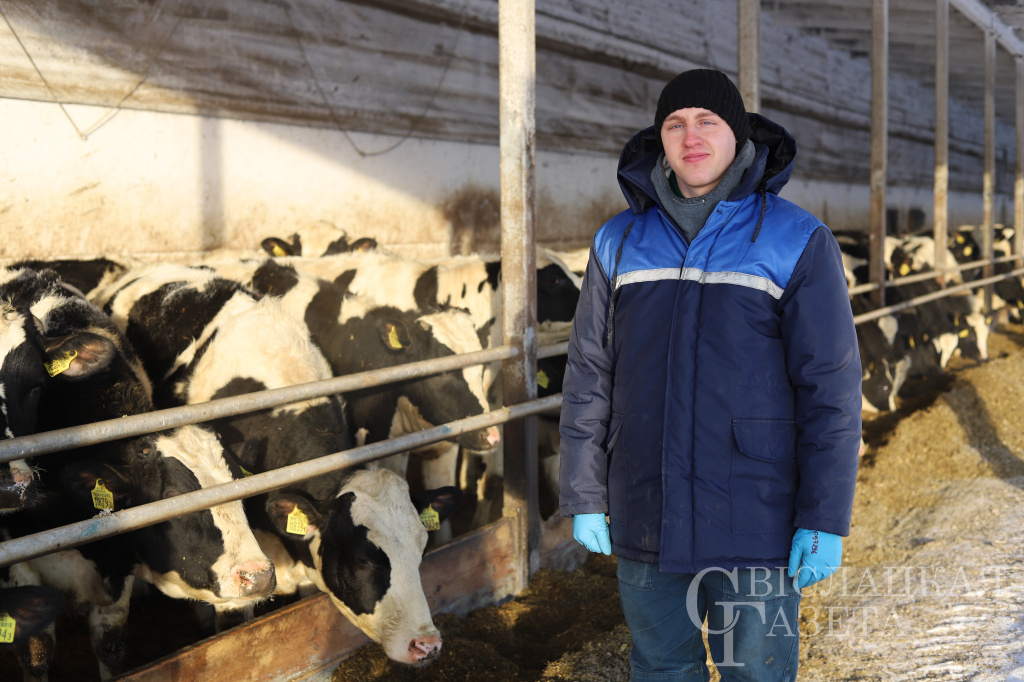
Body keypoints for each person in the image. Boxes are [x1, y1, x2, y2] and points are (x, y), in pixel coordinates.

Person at [558, 68, 862, 681]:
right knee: (660, 669)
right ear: (660, 139)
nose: (690, 137)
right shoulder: (618, 241)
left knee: (755, 672)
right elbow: (589, 374)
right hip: (646, 508)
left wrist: (823, 518)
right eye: (675, 124)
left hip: (755, 517)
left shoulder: (796, 239)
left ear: (738, 135)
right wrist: (585, 495)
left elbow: (830, 389)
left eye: (707, 121)